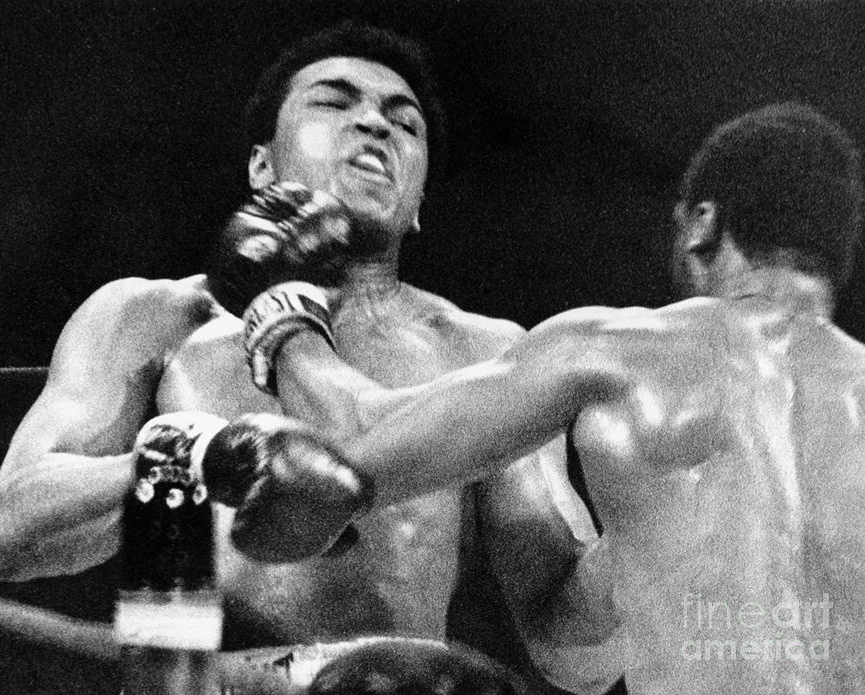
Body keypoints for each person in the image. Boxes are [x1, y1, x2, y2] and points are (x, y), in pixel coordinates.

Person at [0, 20, 595, 692]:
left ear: (418, 203)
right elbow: (11, 529)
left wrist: (652, 544)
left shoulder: (484, 351)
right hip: (195, 681)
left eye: (405, 122)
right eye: (335, 102)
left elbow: (570, 646)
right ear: (262, 167)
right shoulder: (152, 319)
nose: (375, 124)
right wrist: (194, 456)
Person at [245, 102, 865, 694]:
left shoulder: (614, 351)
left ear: (701, 224)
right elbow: (575, 662)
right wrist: (638, 551)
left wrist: (282, 312)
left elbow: (343, 467)